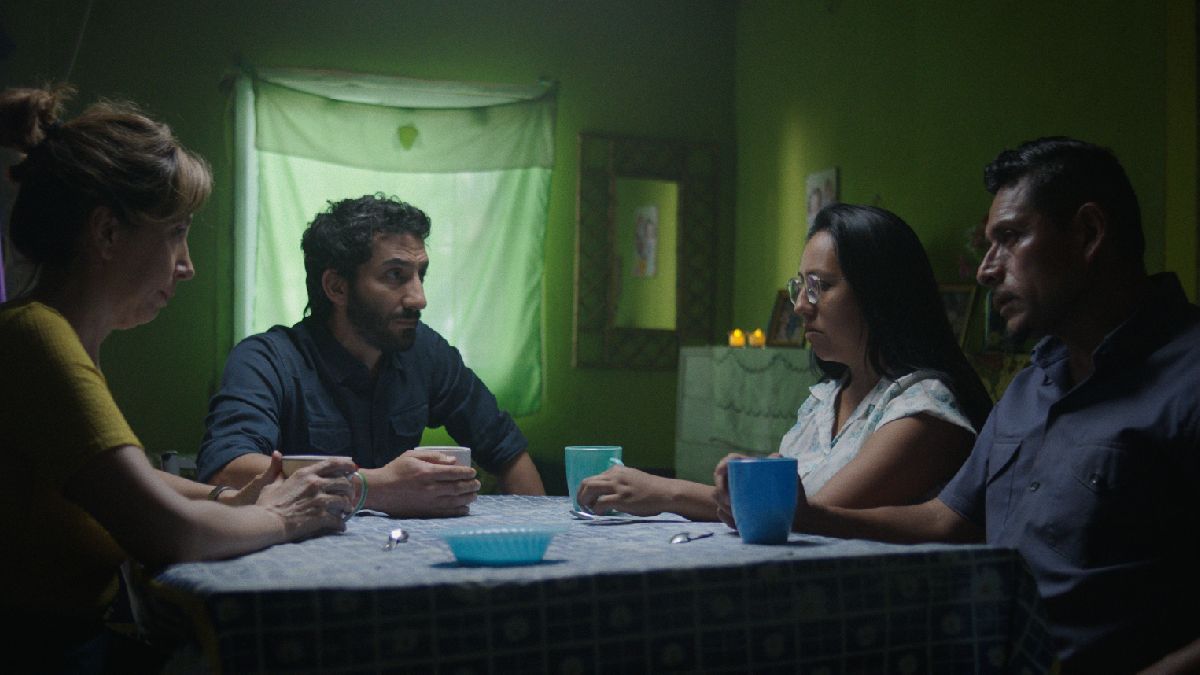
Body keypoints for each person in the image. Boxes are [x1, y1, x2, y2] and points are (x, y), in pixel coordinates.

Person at [715, 137, 1200, 673]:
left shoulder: (1187, 381)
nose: (986, 270)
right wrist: (810, 517)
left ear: (1088, 233)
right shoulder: (1029, 387)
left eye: (1010, 238)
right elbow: (948, 521)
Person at [0, 85, 355, 671]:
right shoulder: (36, 338)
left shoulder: (57, 337)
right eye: (175, 233)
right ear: (107, 233)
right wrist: (283, 515)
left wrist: (229, 499)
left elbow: (127, 481)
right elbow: (168, 532)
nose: (187, 265)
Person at [577, 204, 992, 519]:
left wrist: (666, 492)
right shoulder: (825, 401)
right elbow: (775, 503)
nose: (800, 307)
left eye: (820, 287)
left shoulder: (925, 409)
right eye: (800, 287)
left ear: (880, 293)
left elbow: (806, 517)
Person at [196, 194, 546, 517]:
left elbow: (508, 452)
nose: (419, 298)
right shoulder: (268, 360)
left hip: (402, 551)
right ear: (337, 287)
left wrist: (543, 537)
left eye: (420, 275)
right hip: (297, 551)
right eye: (396, 276)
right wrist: (377, 487)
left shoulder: (425, 351)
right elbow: (226, 468)